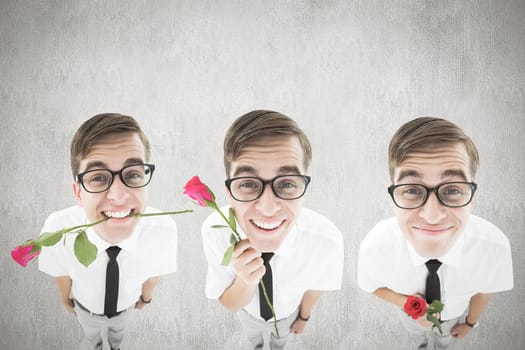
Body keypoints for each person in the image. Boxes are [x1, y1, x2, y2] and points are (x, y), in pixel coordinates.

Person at [357, 117, 513, 349]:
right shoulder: (375, 247)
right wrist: (408, 303)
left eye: (452, 190)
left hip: (453, 317)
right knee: (417, 337)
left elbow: (484, 290)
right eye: (411, 189)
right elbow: (372, 286)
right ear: (393, 196)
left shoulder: (493, 247)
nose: (432, 216)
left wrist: (470, 323)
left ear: (473, 198)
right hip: (409, 317)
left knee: (445, 341)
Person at [201, 110, 344, 349]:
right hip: (248, 315)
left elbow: (313, 287)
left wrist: (304, 317)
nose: (267, 208)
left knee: (280, 342)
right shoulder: (216, 232)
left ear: (304, 188)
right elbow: (230, 302)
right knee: (254, 340)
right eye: (247, 183)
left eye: (287, 183)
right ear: (228, 193)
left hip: (287, 316)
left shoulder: (326, 240)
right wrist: (245, 280)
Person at [38, 113, 178, 350]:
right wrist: (66, 300)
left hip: (125, 308)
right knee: (92, 337)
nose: (119, 195)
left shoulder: (162, 229)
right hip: (85, 308)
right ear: (78, 193)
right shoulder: (57, 229)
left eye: (133, 174)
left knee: (117, 335)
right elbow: (60, 273)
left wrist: (145, 298)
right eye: (99, 178)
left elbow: (154, 275)